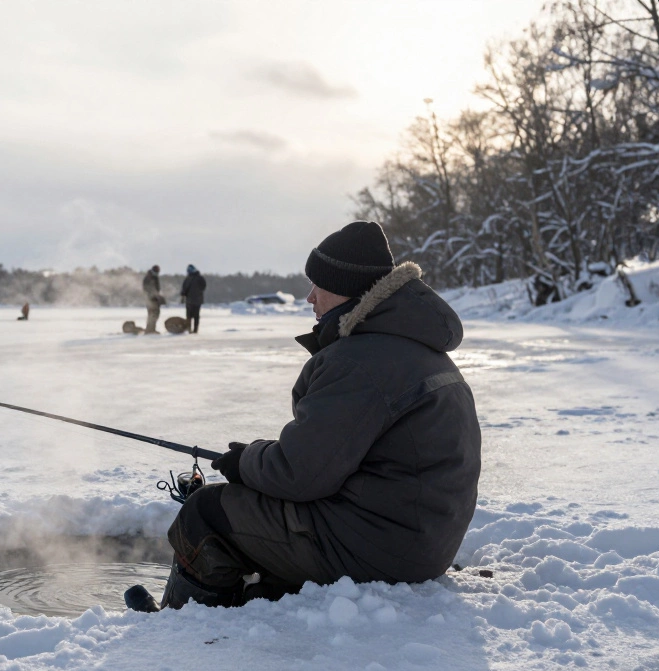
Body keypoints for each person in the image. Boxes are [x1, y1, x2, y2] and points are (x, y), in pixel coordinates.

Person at [125, 221, 480, 612]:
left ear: (347, 289)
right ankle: (250, 602)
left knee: (204, 512)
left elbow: (300, 474)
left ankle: (180, 627)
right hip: (417, 538)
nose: (310, 297)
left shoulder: (361, 361)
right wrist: (256, 464)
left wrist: (246, 461)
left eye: (319, 285)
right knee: (258, 516)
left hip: (384, 548)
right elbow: (328, 459)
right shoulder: (414, 347)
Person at [180, 264, 206, 333]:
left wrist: (183, 296)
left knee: (191, 316)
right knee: (193, 316)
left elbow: (184, 289)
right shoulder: (199, 278)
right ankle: (193, 330)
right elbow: (203, 287)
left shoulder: (189, 279)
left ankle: (192, 330)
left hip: (192, 300)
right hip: (195, 300)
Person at [142, 265, 165, 334]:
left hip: (154, 299)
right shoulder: (149, 277)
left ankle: (151, 329)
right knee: (152, 314)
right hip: (150, 299)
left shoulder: (154, 277)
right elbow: (149, 289)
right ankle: (150, 329)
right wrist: (155, 295)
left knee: (155, 314)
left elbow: (156, 289)